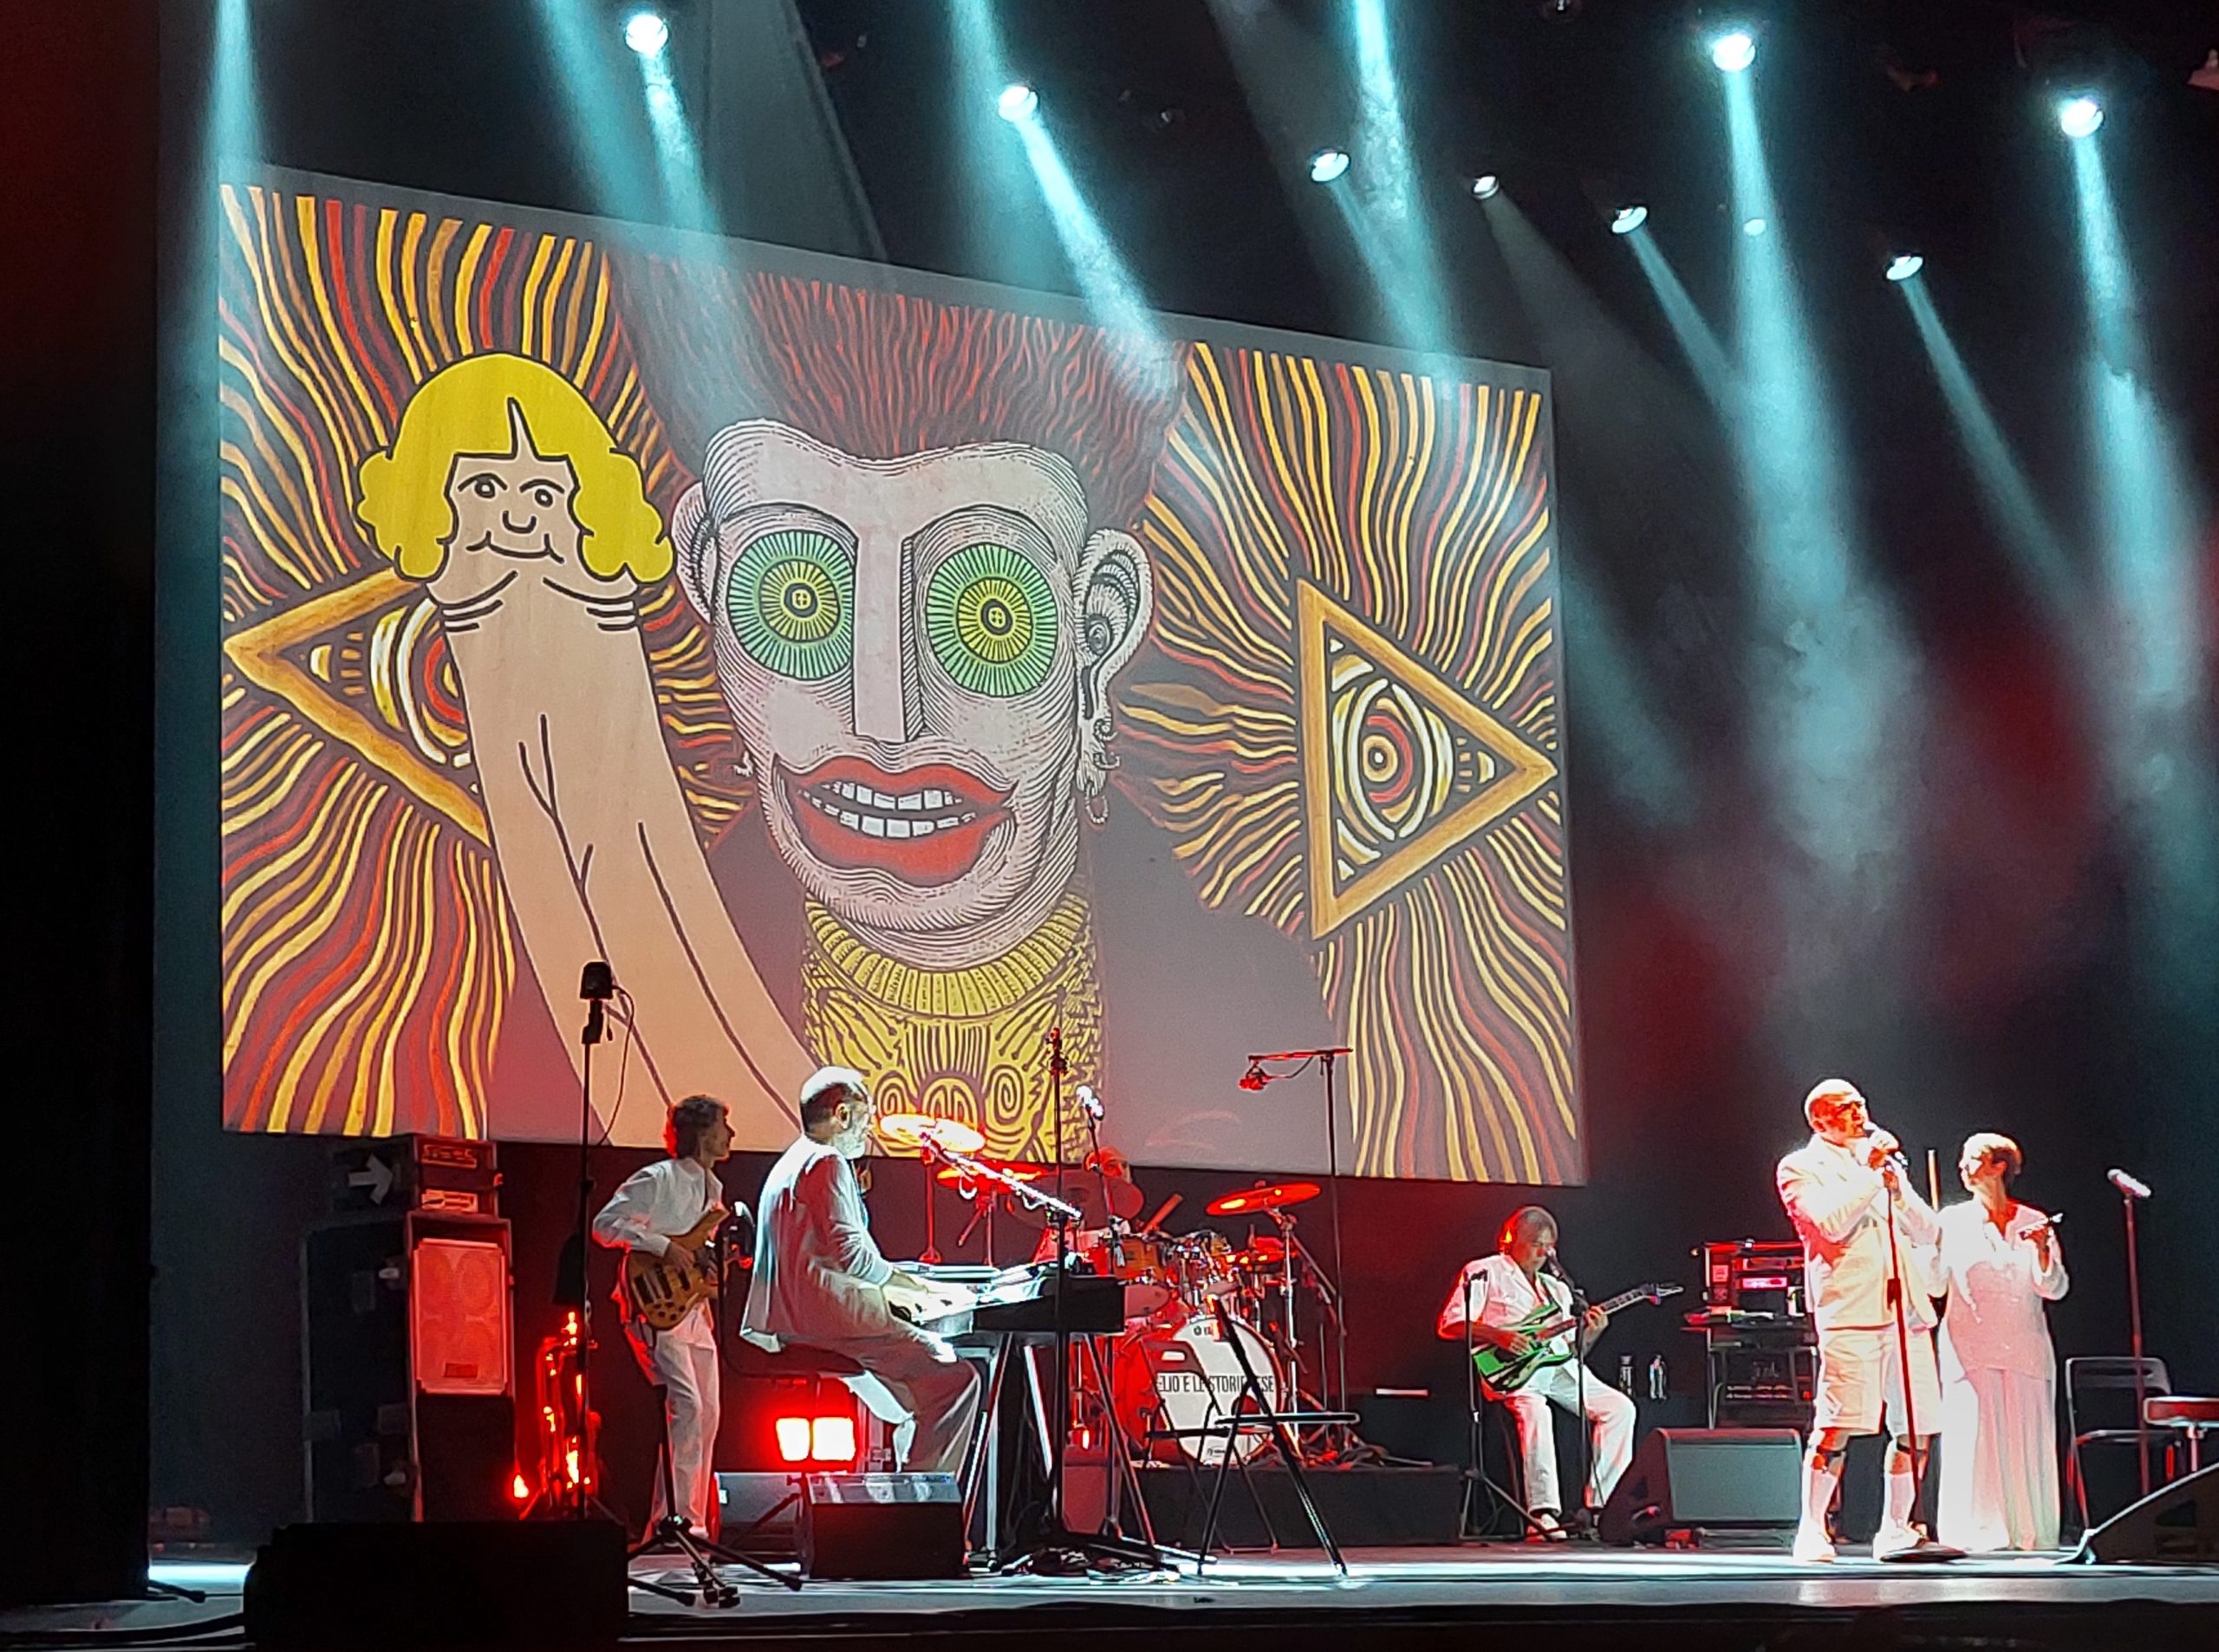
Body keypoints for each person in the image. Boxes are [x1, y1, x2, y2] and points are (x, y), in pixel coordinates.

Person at [741, 1067, 984, 1473]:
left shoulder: (791, 1161)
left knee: (911, 1403)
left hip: (792, 1320)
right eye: (865, 1117)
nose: (868, 1130)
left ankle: (904, 1492)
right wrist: (923, 1289)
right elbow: (854, 1258)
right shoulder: (827, 1161)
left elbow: (828, 1257)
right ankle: (927, 1498)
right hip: (830, 1322)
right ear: (842, 1115)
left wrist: (906, 1283)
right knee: (956, 1382)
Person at [1776, 1078, 1943, 1562]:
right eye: (1846, 1108)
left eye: (1861, 1105)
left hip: (1904, 1311)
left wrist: (1896, 1187)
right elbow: (1831, 1225)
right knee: (1839, 1424)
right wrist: (1870, 1175)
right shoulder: (1799, 1167)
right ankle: (1812, 1529)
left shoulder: (1879, 1165)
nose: (1859, 1114)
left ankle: (1896, 1529)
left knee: (1917, 1425)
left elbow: (1927, 1230)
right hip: (1851, 1311)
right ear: (1819, 1119)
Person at [1437, 1206, 1636, 1538]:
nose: (1543, 1253)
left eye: (1549, 1246)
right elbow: (1450, 1324)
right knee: (1536, 1412)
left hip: (1558, 1368)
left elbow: (1574, 1351)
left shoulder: (1556, 1288)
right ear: (1511, 1240)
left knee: (1620, 1408)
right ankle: (1542, 1513)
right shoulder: (1484, 1271)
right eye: (1535, 1244)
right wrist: (1498, 1335)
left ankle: (1604, 1506)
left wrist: (1593, 1333)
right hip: (1513, 1374)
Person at [591, 1094, 739, 1536]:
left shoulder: (714, 1188)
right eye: (723, 1127)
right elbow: (605, 1225)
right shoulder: (657, 1178)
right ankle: (674, 1523)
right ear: (703, 1133)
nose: (731, 1135)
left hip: (692, 1308)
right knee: (687, 1406)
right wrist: (663, 1246)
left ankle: (688, 1520)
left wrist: (711, 1265)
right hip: (654, 1306)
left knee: (708, 1412)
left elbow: (698, 1249)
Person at [1936, 1133, 2069, 1551]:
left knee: (2024, 1438)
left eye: (1973, 1158)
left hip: (2025, 1346)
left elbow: (2054, 1287)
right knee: (1973, 1438)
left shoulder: (2034, 1220)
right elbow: (1934, 1284)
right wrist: (1924, 1249)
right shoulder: (1950, 1221)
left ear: (1999, 1167)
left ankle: (2028, 1531)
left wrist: (2043, 1250)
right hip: (1970, 1348)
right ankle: (1975, 1532)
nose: (1962, 1166)